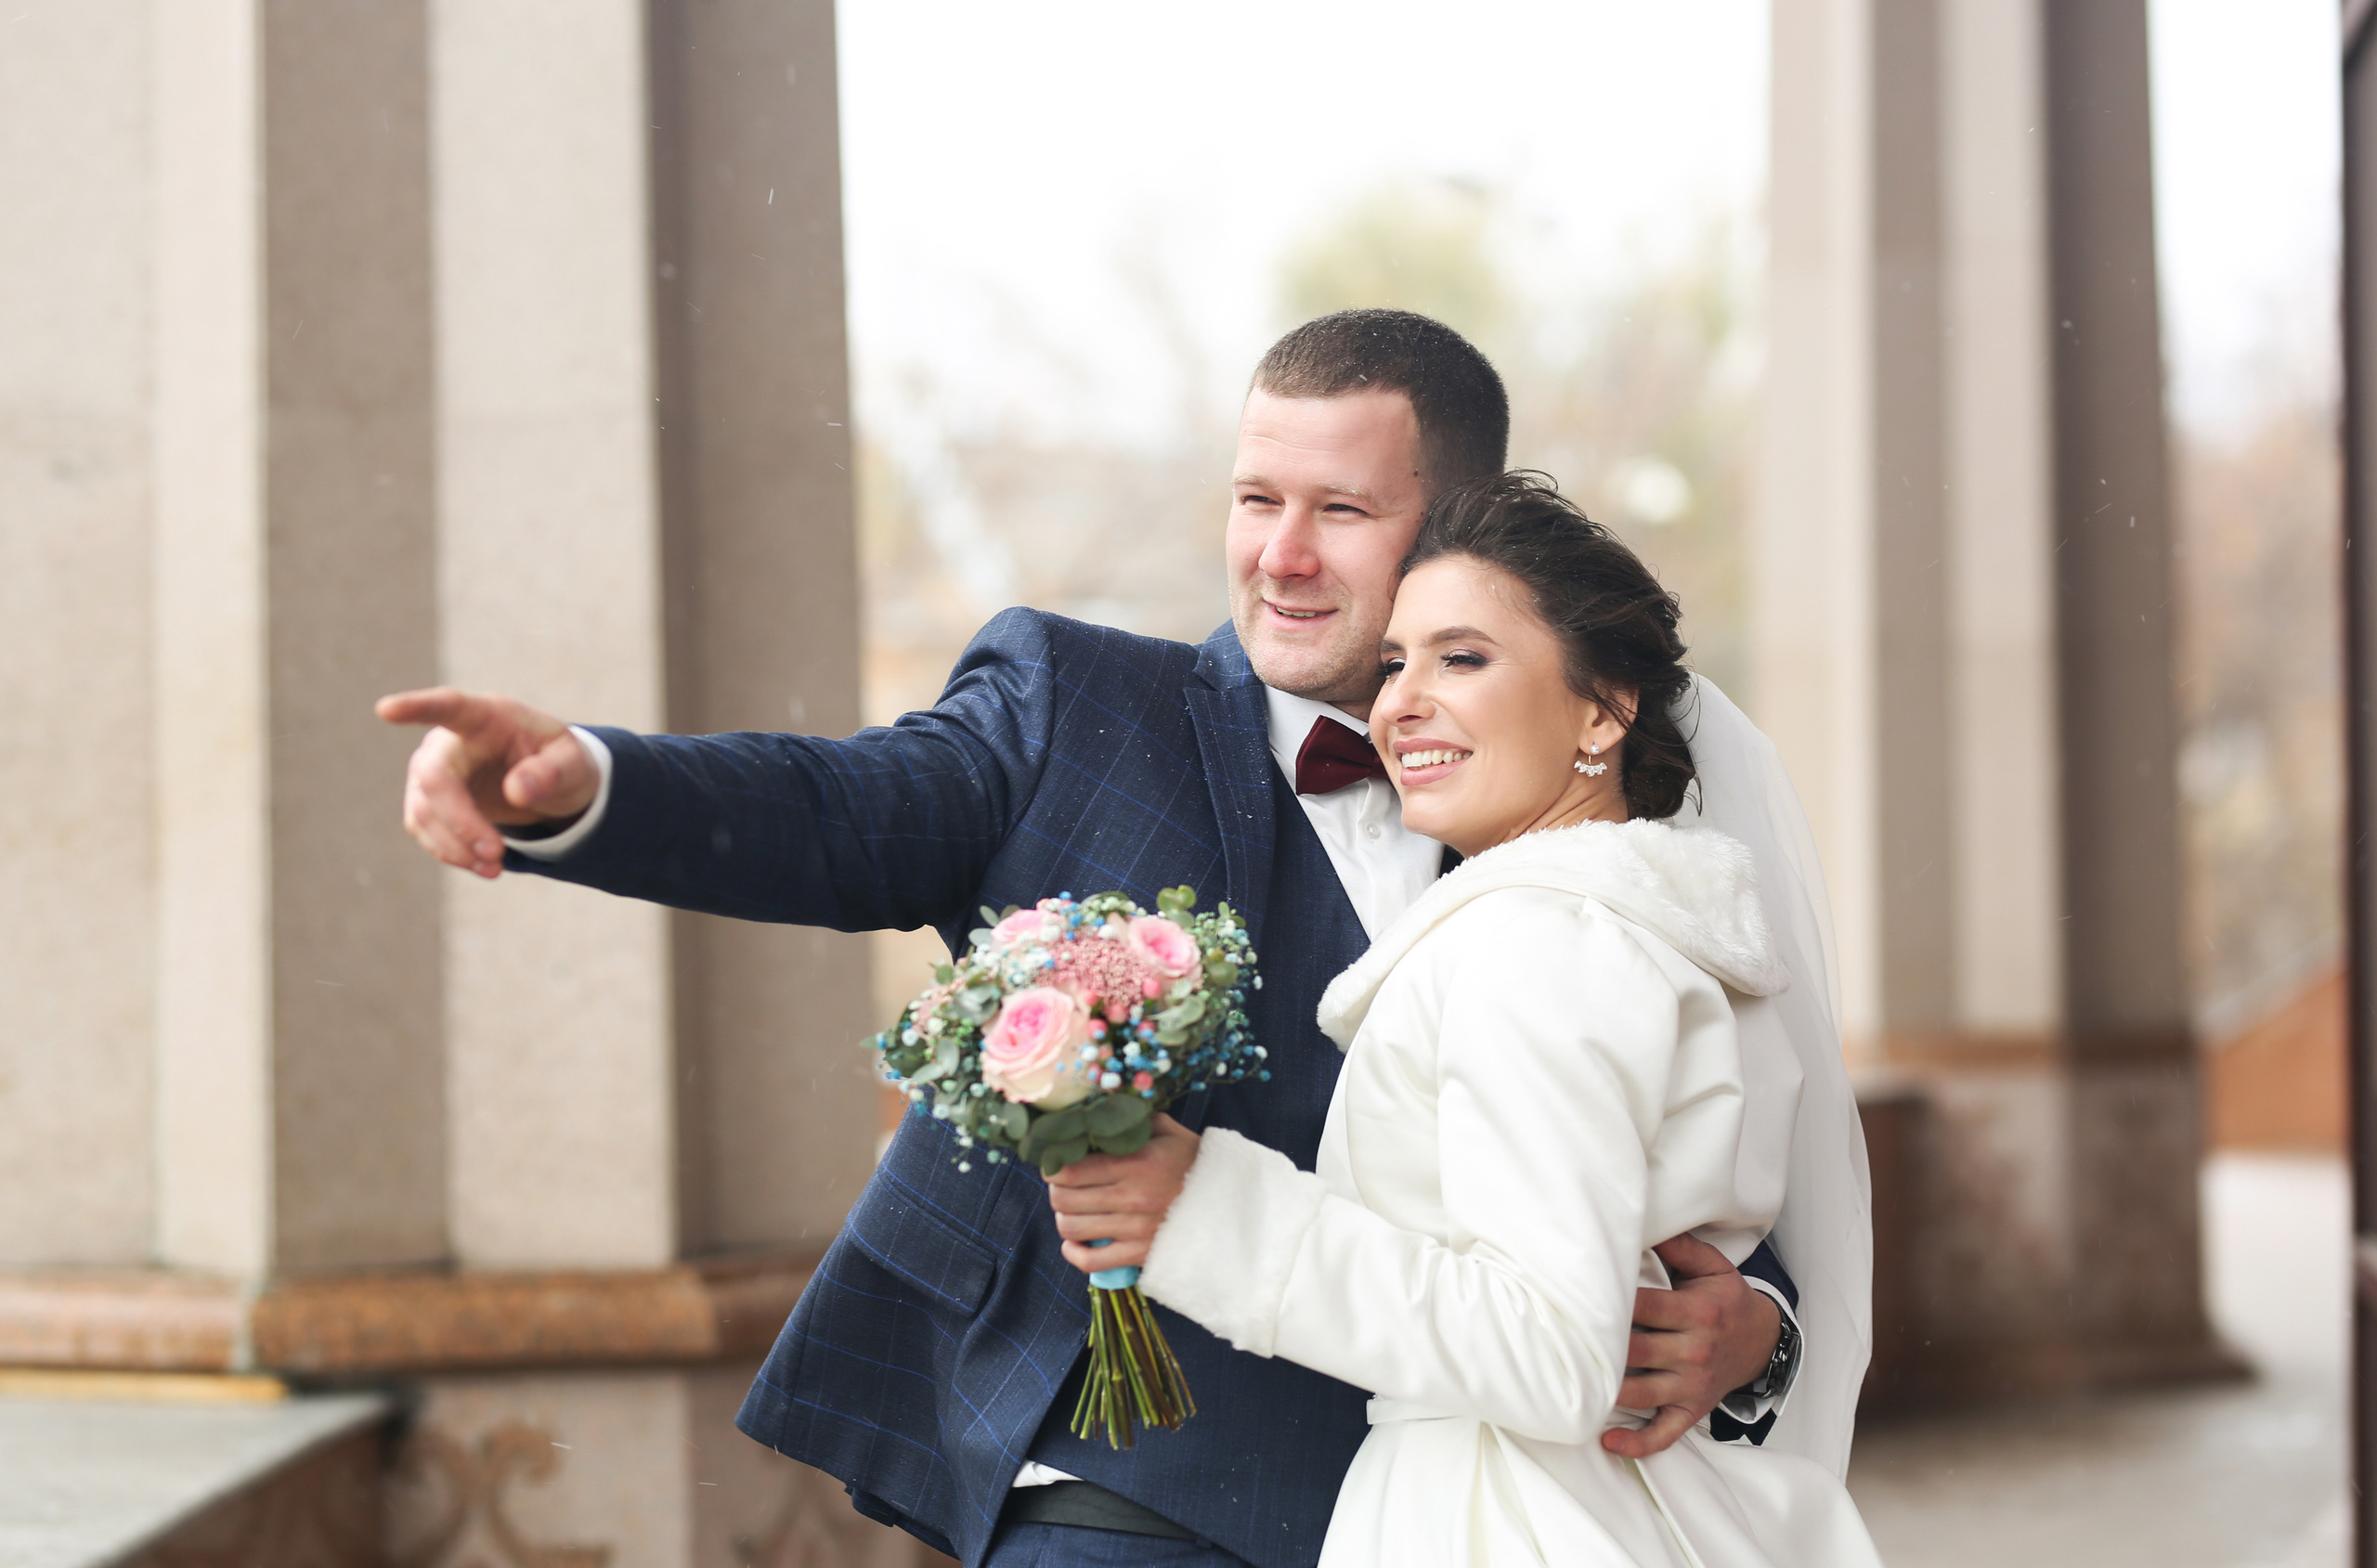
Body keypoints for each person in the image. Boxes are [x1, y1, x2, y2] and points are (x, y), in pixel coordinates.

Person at [376, 311, 1835, 1568]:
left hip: (1461, 1505)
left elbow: (1716, 1130)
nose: (1281, 556)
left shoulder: (1586, 829)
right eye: (1255, 497)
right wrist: (594, 785)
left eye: (1341, 510)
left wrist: (1753, 1320)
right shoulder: (1080, 704)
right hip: (1126, 1493)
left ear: (1457, 523)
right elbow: (840, 810)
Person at [1048, 472, 1877, 1565]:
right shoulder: (1647, 922)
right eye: (1394, 663)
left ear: (1603, 706)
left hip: (1507, 1517)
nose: (1398, 703)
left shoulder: (1538, 942)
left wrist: (1205, 1214)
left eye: (1462, 658)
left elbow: (1546, 1353)